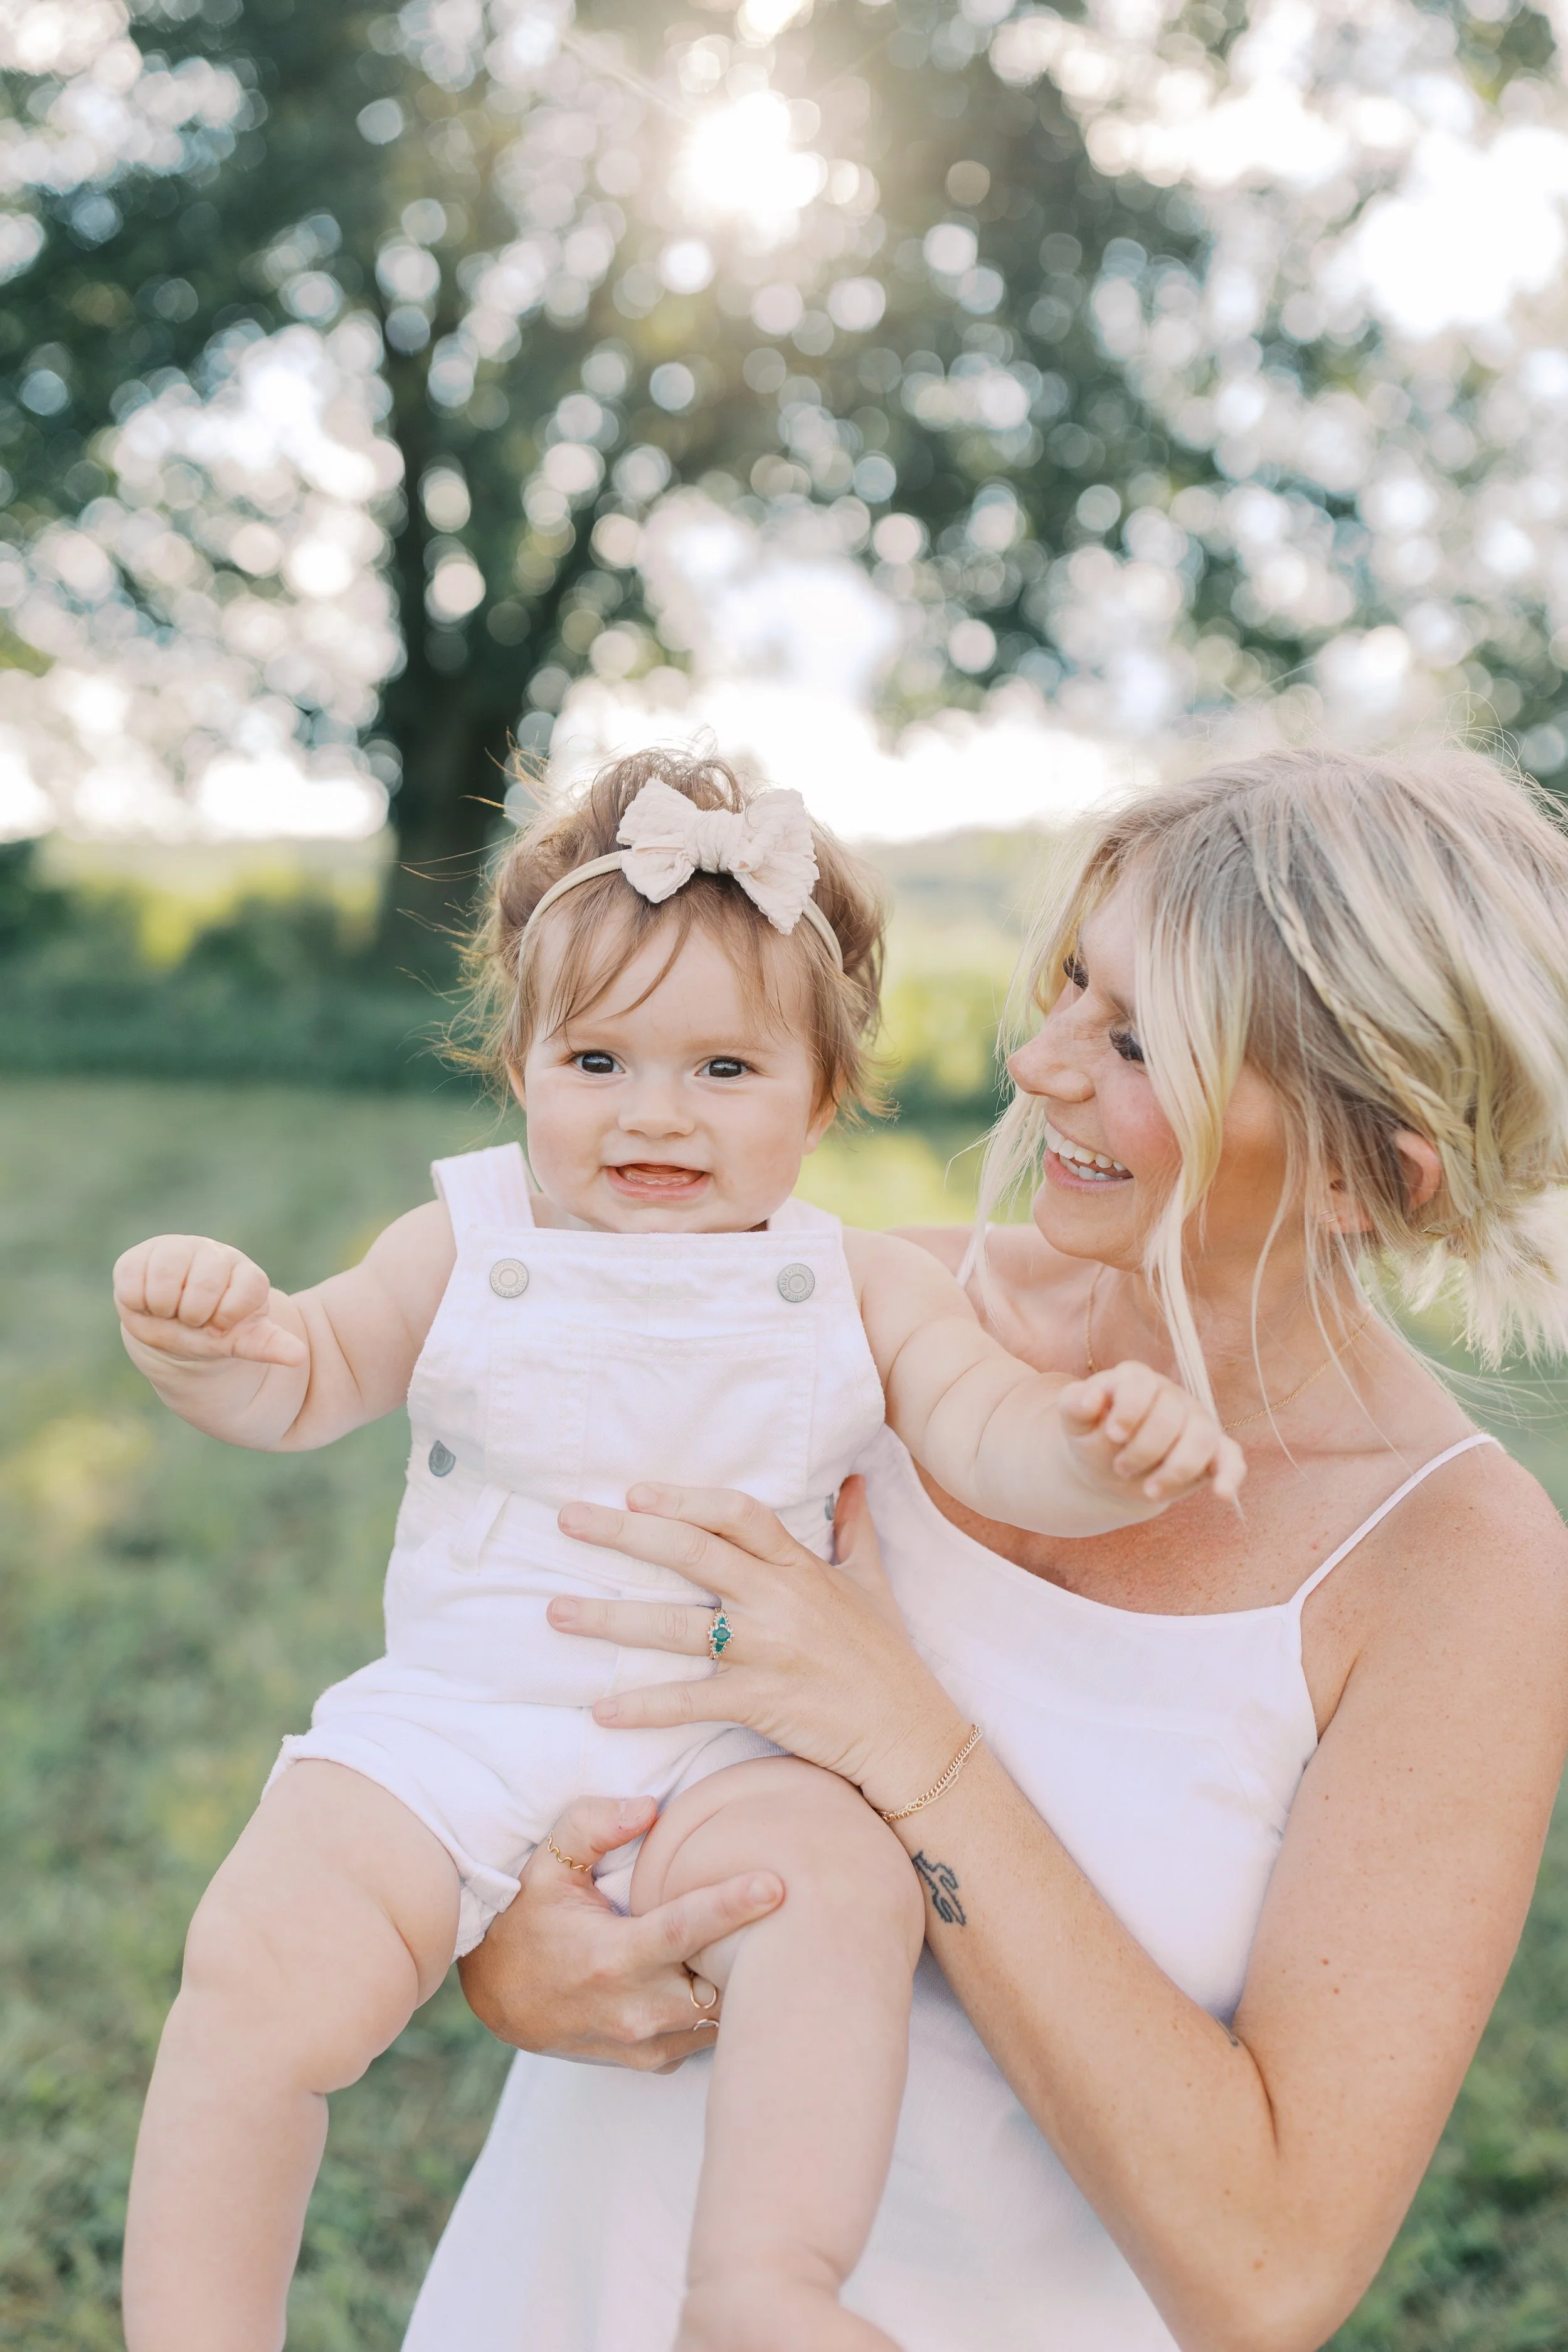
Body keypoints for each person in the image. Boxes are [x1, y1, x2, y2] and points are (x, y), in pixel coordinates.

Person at [409, 744, 1568, 2352]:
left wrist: (905, 1738)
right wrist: (507, 1947)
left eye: (1137, 1041)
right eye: (1071, 990)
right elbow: (489, 1700)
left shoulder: (1454, 1568)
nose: (1037, 1067)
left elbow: (1267, 2274)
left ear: (1373, 1170)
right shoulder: (855, 1318)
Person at [112, 751, 1240, 2352]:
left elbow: (992, 1431)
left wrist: (1096, 1450)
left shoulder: (855, 1284)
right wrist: (218, 1341)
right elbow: (308, 1376)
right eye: (597, 1059)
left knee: (836, 1890)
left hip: (719, 1740)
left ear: (822, 1092)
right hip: (454, 1717)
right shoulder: (464, 1241)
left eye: (722, 1069)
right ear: (519, 1068)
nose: (654, 1112)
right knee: (253, 1966)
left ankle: (758, 2283)